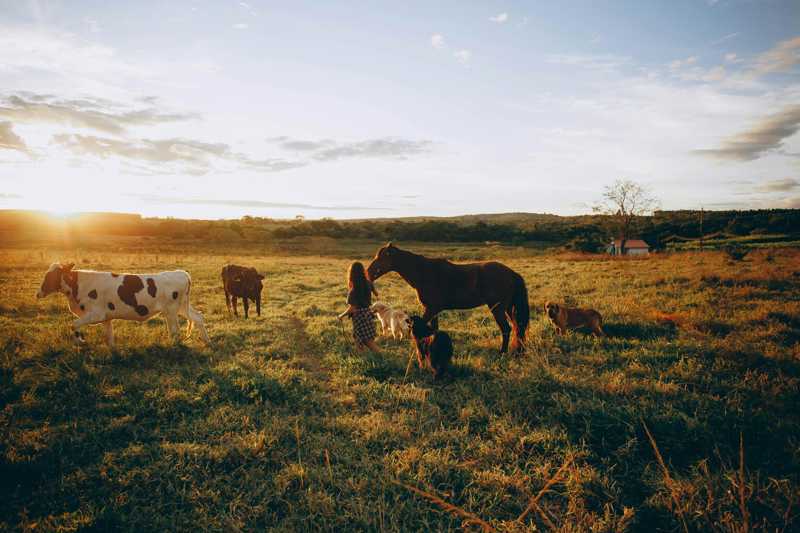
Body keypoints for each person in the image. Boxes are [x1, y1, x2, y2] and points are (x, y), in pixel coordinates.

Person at [337, 261, 380, 352]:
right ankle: (363, 359)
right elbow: (376, 294)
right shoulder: (368, 283)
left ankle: (383, 357)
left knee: (366, 341)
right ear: (363, 272)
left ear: (351, 275)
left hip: (359, 318)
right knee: (361, 339)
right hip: (368, 314)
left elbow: (353, 308)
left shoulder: (353, 290)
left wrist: (341, 315)